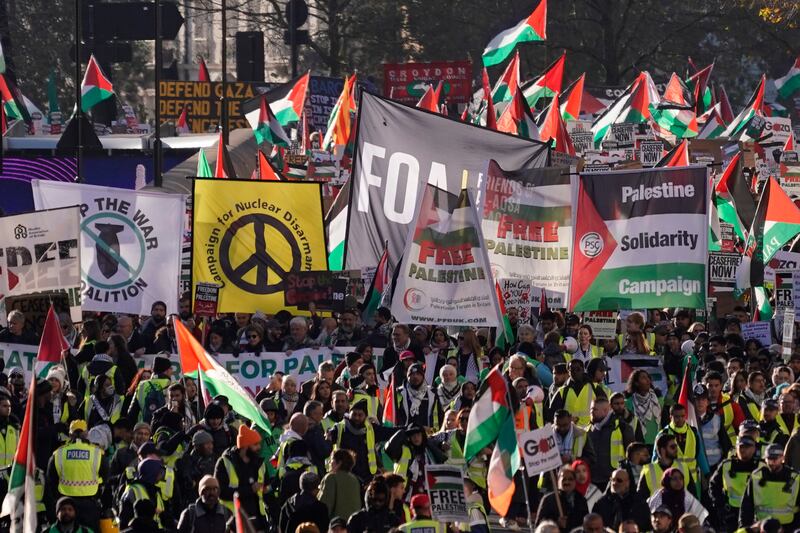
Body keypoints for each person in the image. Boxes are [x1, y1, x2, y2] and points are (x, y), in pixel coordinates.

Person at [45, 420, 106, 532]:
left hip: (65, 504)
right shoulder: (97, 453)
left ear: (70, 434)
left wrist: (56, 501)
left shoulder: (59, 453)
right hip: (89, 504)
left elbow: (50, 480)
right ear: (86, 433)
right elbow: (106, 478)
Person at [739, 443, 800, 529]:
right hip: (763, 527)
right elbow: (746, 506)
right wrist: (744, 528)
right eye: (769, 459)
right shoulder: (756, 476)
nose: (772, 462)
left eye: (776, 458)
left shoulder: (795, 478)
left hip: (788, 527)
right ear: (765, 459)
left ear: (782, 458)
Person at [214, 424, 266, 524]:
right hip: (232, 520)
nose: (259, 447)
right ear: (245, 446)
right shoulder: (224, 463)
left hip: (258, 520)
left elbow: (266, 491)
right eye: (255, 444)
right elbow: (221, 492)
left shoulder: (259, 463)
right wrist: (249, 490)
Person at [708, 435, 758, 531]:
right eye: (740, 446)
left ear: (754, 448)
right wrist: (720, 506)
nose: (743, 450)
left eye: (747, 447)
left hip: (753, 513)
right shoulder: (726, 465)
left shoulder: (760, 467)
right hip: (731, 512)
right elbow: (713, 485)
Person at [587, 397, 633, 489]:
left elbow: (631, 455)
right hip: (593, 480)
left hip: (614, 480)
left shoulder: (621, 427)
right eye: (591, 410)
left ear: (605, 411)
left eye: (594, 410)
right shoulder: (589, 430)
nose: (591, 413)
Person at [549, 359, 605, 426]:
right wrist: (567, 419)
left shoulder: (595, 388)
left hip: (591, 432)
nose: (575, 372)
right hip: (571, 433)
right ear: (568, 372)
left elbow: (605, 409)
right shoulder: (562, 391)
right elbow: (553, 414)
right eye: (572, 369)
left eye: (578, 369)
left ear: (583, 370)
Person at [118, 458, 169, 530]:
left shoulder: (155, 491)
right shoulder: (132, 490)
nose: (162, 476)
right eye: (160, 472)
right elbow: (124, 519)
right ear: (152, 473)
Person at [535, 466, 588, 531]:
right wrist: (556, 523)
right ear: (558, 481)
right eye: (564, 479)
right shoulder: (548, 499)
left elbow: (586, 524)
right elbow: (539, 525)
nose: (567, 482)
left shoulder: (581, 500)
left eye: (570, 479)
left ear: (575, 481)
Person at [638, 433, 691, 499]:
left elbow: (693, 495)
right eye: (672, 447)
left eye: (676, 446)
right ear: (663, 450)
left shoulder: (683, 467)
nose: (676, 449)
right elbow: (641, 500)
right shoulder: (648, 471)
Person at [318, 449, 362, 522]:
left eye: (332, 460)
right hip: (352, 525)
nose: (329, 462)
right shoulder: (354, 480)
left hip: (336, 526)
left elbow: (324, 507)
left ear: (339, 463)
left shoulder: (331, 478)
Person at [624, 369, 663, 447]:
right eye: (643, 378)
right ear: (636, 383)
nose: (648, 380)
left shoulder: (658, 400)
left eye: (648, 377)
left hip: (657, 443)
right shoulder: (628, 402)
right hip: (638, 444)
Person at [395, 363, 442, 429]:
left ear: (423, 376)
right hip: (406, 434)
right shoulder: (399, 392)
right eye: (412, 374)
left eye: (418, 374)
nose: (415, 377)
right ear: (407, 376)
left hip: (428, 435)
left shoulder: (433, 392)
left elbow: (439, 415)